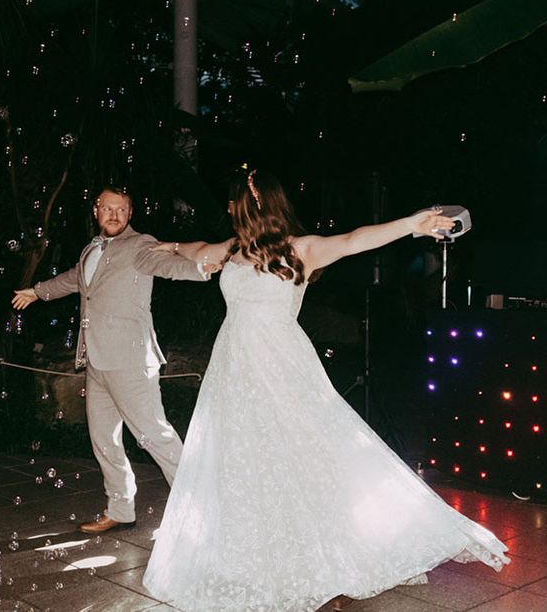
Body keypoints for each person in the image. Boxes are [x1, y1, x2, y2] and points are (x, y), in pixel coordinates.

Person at [142, 169, 509, 611]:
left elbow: (355, 239)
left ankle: (326, 562)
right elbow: (198, 249)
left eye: (236, 202)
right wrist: (169, 246)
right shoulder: (233, 250)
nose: (229, 209)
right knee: (244, 460)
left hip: (281, 364)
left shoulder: (302, 249)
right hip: (235, 367)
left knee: (304, 455)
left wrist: (412, 223)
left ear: (256, 205)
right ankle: (259, 557)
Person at [12, 185, 209, 534]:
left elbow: (168, 265)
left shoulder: (140, 245)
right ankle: (120, 508)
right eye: (108, 209)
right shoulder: (92, 248)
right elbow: (76, 279)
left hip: (130, 360)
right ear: (96, 210)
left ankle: (204, 507)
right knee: (104, 439)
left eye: (122, 210)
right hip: (96, 361)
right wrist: (37, 291)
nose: (115, 215)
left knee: (154, 435)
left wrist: (205, 264)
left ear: (130, 214)